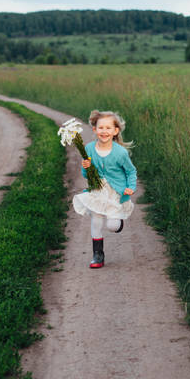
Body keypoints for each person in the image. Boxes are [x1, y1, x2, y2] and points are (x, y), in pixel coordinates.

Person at [72, 109, 137, 268]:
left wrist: (131, 187)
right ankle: (98, 255)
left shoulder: (120, 152)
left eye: (108, 128)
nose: (104, 131)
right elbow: (86, 175)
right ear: (94, 130)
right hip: (97, 190)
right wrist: (85, 167)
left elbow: (131, 171)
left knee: (112, 226)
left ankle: (118, 222)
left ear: (115, 131)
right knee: (97, 219)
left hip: (115, 191)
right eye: (101, 128)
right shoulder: (88, 149)